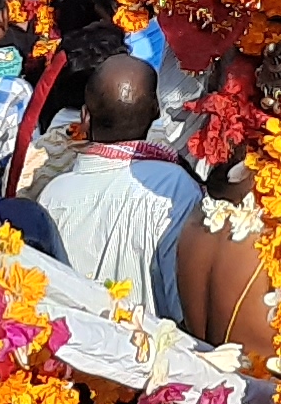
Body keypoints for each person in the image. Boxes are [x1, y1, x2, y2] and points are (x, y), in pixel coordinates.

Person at [31, 55, 201, 323]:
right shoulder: (175, 189)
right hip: (151, 356)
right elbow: (185, 309)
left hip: (75, 354)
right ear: (157, 112)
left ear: (85, 116)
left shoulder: (54, 194)